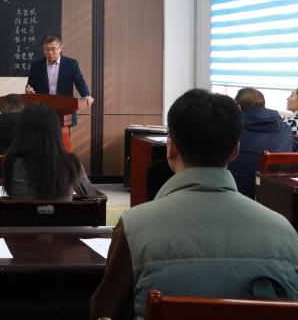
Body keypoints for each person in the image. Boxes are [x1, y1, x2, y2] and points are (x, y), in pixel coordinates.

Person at [90, 89, 298, 320]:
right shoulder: (285, 232)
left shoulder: (133, 227)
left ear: (171, 148)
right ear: (235, 150)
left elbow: (105, 312)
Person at [1, 103, 93, 200]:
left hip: (23, 210)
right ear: (55, 131)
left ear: (21, 130)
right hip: (61, 210)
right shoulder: (71, 163)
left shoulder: (11, 161)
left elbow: (9, 191)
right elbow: (87, 191)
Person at [229, 87, 297, 197]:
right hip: (279, 196)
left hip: (240, 195)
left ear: (238, 107)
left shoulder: (233, 130)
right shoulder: (286, 129)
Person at [25, 33, 93, 125]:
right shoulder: (36, 66)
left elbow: (80, 81)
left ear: (60, 48)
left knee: (64, 133)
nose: (50, 52)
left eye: (53, 49)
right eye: (46, 49)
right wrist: (29, 91)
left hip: (66, 109)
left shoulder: (71, 64)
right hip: (43, 111)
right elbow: (30, 86)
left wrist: (86, 95)